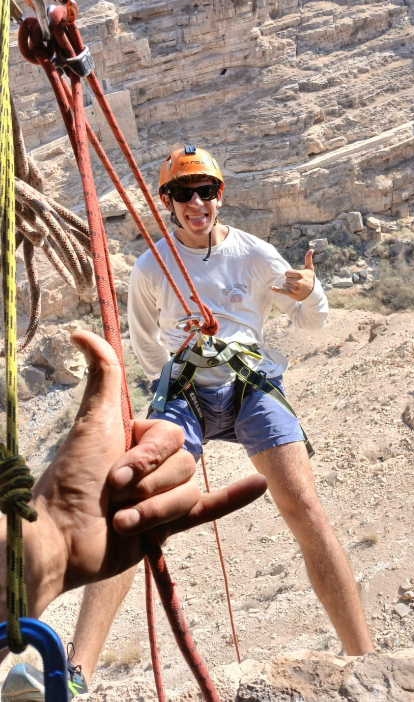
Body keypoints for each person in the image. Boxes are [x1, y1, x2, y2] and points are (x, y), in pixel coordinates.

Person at [9, 145, 374, 700]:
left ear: (219, 196)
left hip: (248, 379)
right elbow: (146, 343)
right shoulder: (154, 267)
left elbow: (310, 316)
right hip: (184, 387)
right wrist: (177, 384)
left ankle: (364, 658)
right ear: (168, 202)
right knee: (129, 516)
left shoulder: (254, 255)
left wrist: (310, 291)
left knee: (303, 505)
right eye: (183, 193)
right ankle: (75, 672)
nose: (196, 202)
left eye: (205, 191)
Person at [0, 329, 267, 700]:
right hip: (187, 382)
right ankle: (79, 672)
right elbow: (146, 335)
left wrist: (52, 541)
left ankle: (77, 673)